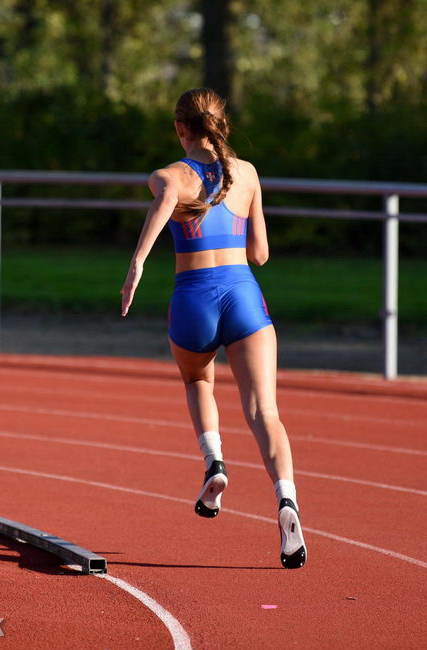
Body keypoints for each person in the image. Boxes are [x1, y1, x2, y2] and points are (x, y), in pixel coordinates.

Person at [120, 88, 306, 569]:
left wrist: (137, 263)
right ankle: (286, 501)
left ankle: (215, 462)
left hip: (193, 298)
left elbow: (163, 203)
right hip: (242, 295)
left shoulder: (169, 176)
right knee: (265, 410)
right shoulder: (246, 174)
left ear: (181, 128)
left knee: (198, 379)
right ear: (221, 123)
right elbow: (260, 254)